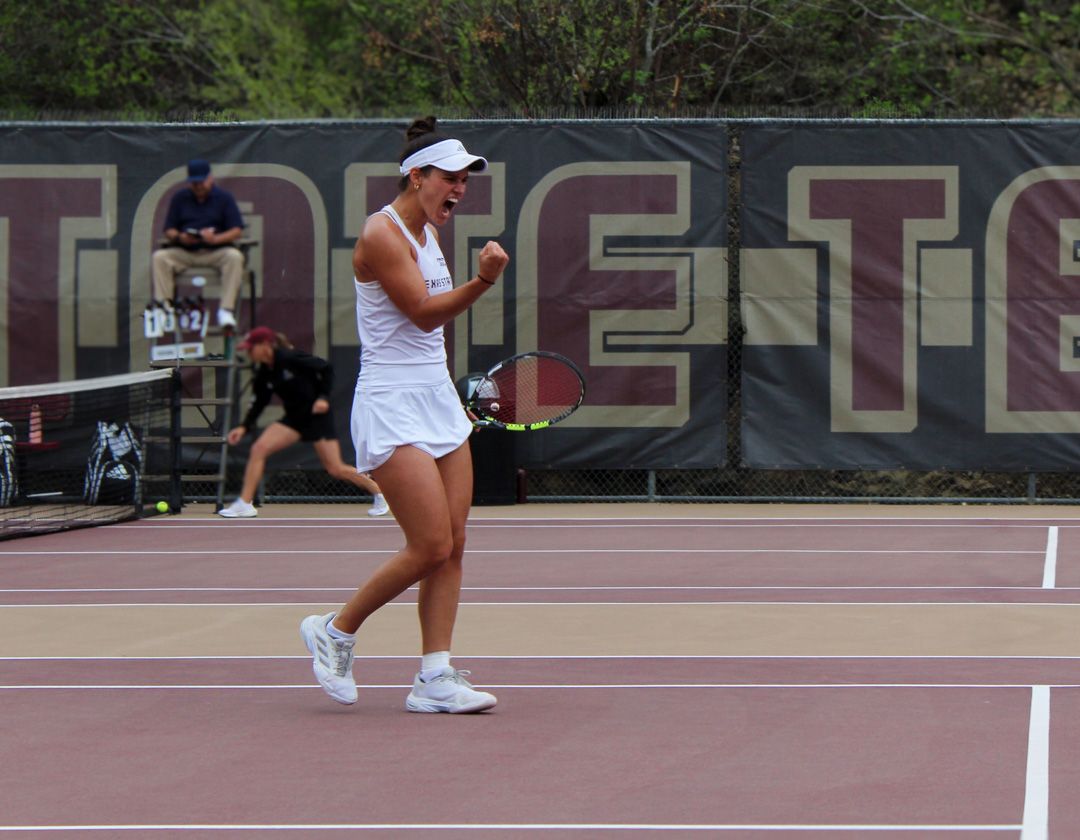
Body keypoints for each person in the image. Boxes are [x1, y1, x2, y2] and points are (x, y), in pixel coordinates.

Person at [300, 116, 509, 713]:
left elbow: (427, 333)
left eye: (465, 181)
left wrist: (443, 390)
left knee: (456, 542)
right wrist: (483, 281)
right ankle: (335, 630)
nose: (459, 190)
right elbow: (421, 312)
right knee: (430, 544)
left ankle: (434, 678)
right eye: (450, 178)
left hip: (435, 398)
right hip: (390, 403)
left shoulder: (428, 232)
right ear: (417, 176)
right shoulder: (381, 233)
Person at [219, 326, 389, 519]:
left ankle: (379, 493)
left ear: (265, 345)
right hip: (294, 419)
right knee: (259, 449)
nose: (249, 353)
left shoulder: (290, 357)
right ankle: (245, 504)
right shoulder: (265, 372)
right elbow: (260, 401)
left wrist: (323, 398)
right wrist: (244, 427)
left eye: (251, 348)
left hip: (317, 418)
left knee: (335, 469)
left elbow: (326, 368)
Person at [152, 159, 246, 329]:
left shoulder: (224, 198)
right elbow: (168, 229)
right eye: (194, 183)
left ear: (210, 178)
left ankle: (226, 310)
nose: (198, 186)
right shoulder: (179, 198)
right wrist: (180, 237)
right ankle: (165, 310)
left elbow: (237, 230)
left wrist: (215, 239)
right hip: (185, 252)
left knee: (235, 257)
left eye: (201, 182)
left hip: (215, 252)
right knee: (160, 257)